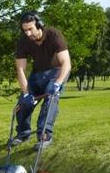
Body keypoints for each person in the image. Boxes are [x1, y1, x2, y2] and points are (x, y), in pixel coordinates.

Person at [10, 11, 72, 151]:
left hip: (57, 71)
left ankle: (44, 135)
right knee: (24, 104)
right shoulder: (23, 42)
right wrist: (26, 94)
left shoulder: (54, 35)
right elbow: (20, 70)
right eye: (24, 30)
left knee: (51, 99)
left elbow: (66, 64)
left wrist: (57, 84)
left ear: (39, 25)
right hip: (37, 74)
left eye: (30, 29)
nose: (27, 33)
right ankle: (23, 133)